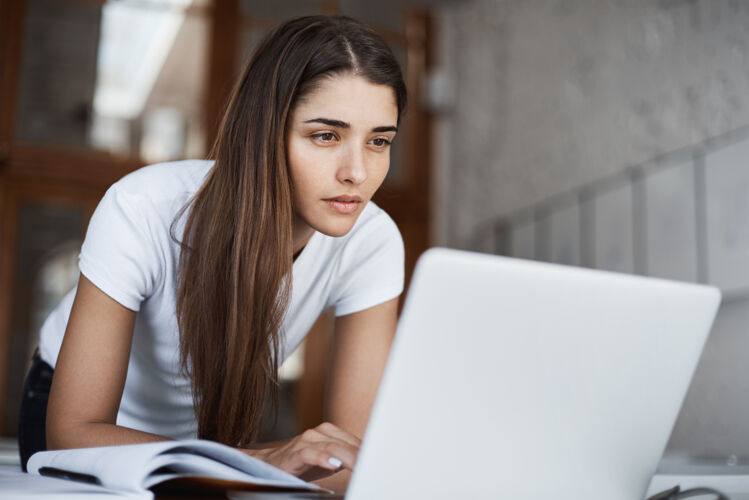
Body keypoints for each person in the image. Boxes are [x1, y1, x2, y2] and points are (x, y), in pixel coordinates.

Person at [17, 15, 407, 492]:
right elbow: (74, 433)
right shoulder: (143, 207)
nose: (357, 172)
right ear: (264, 132)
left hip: (203, 439)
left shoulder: (373, 241)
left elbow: (349, 460)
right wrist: (261, 460)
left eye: (379, 141)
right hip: (90, 429)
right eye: (325, 136)